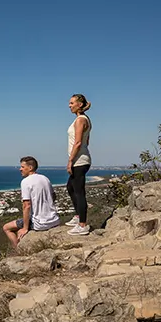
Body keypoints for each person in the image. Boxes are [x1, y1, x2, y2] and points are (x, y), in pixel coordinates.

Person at [3, 156, 60, 249]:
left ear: (30, 168)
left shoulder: (25, 182)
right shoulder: (45, 178)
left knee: (6, 228)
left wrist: (25, 228)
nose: (20, 169)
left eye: (22, 167)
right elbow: (53, 196)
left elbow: (27, 206)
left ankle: (17, 250)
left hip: (40, 223)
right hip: (54, 219)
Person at [65, 93, 92, 235]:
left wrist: (70, 160)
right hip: (80, 159)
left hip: (79, 161)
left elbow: (79, 142)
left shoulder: (81, 120)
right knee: (70, 187)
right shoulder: (83, 119)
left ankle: (82, 225)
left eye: (71, 103)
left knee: (79, 191)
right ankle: (78, 217)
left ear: (79, 104)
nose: (69, 105)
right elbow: (87, 141)